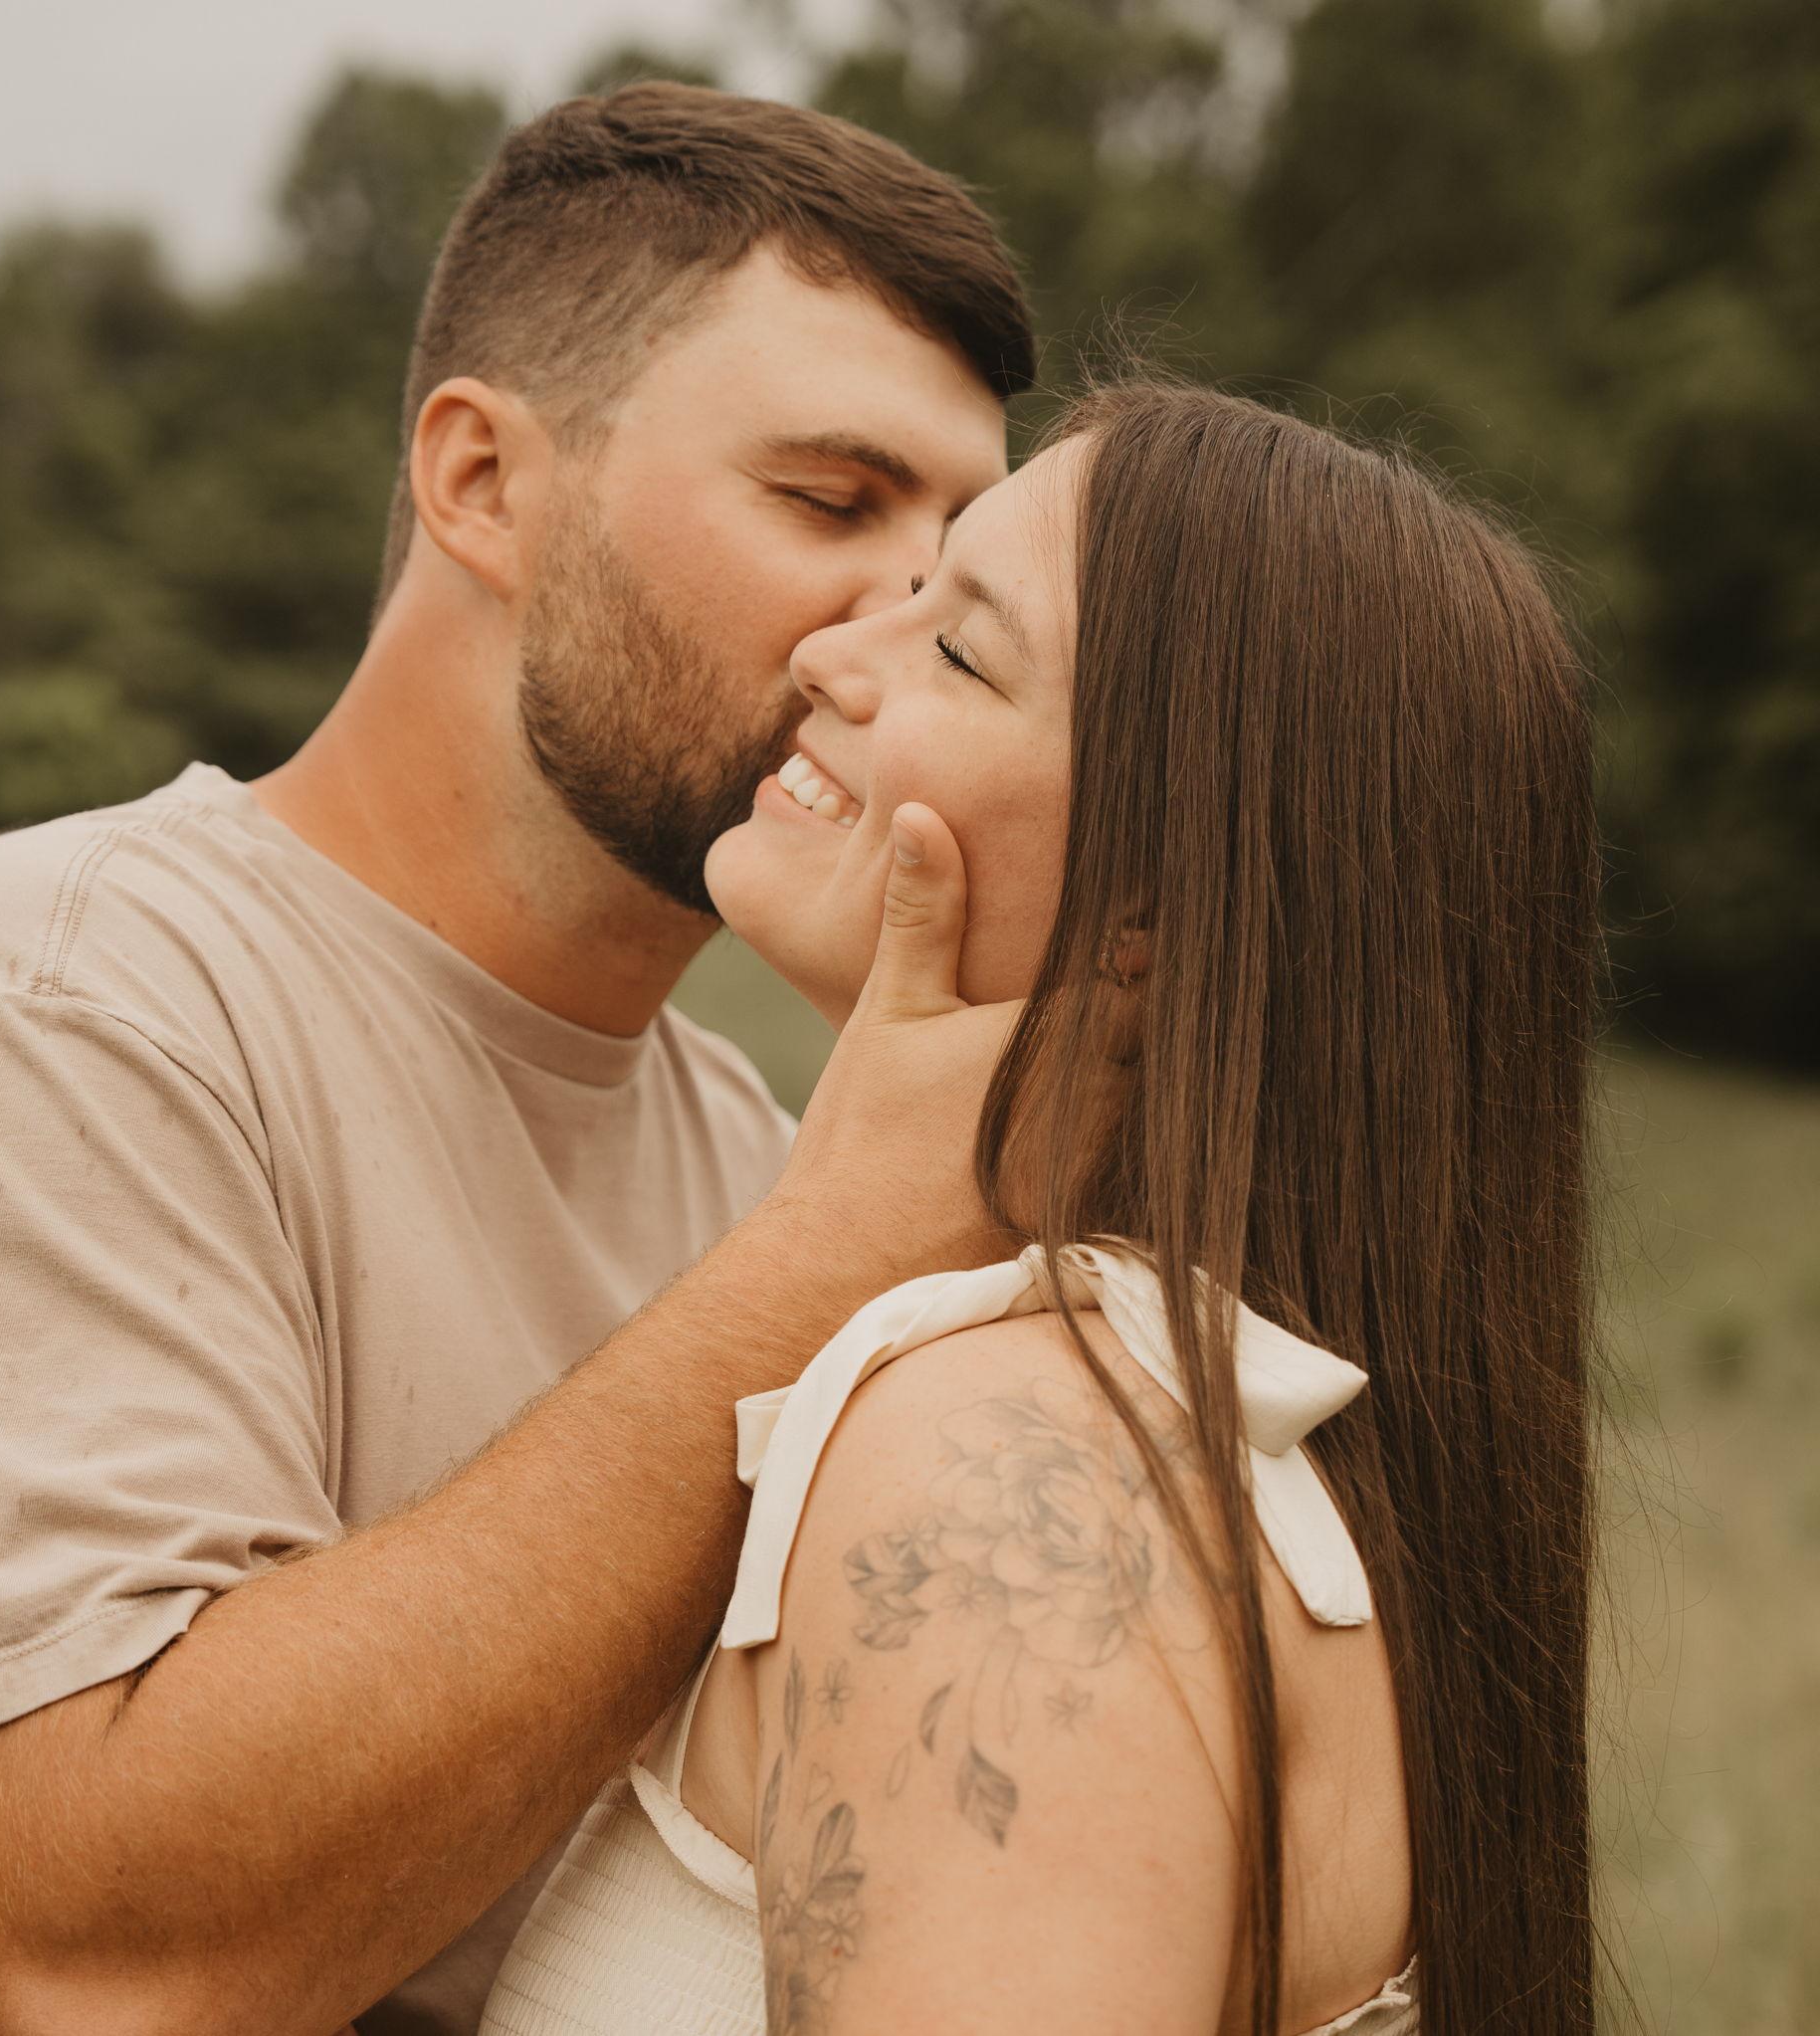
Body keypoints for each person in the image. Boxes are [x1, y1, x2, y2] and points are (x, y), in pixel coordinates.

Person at [0, 85, 1036, 2036]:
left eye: (957, 560)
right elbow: (96, 1965)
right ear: (481, 483)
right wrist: (839, 1252)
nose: (900, 619)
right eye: (829, 501)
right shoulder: (40, 1010)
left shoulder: (755, 1152)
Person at [482, 378, 1605, 2035]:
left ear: (1159, 908)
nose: (830, 653)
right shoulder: (1260, 1443)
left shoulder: (1011, 1479)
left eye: (955, 647)